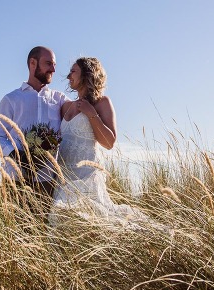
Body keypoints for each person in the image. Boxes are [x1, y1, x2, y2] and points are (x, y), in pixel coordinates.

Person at [50, 57, 149, 228]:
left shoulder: (102, 103)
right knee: (60, 221)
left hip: (87, 176)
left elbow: (109, 142)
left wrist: (91, 114)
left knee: (94, 224)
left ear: (87, 74)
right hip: (64, 177)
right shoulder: (65, 107)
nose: (68, 76)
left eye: (73, 71)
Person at [0, 46, 69, 196]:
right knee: (16, 219)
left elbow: (79, 111)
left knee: (43, 220)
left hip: (47, 180)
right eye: (48, 63)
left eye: (54, 65)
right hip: (15, 178)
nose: (53, 70)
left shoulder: (59, 99)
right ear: (33, 63)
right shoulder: (11, 99)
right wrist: (18, 156)